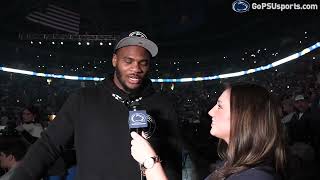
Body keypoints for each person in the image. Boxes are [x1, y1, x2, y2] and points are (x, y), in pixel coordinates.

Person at [10, 31, 181, 180]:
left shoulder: (162, 105)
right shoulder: (83, 99)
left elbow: (172, 160)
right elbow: (48, 146)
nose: (136, 68)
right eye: (128, 61)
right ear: (115, 60)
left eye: (143, 62)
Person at [130, 83, 286, 180]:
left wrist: (150, 163)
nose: (211, 112)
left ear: (243, 117)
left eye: (219, 106)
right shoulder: (231, 166)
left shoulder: (256, 177)